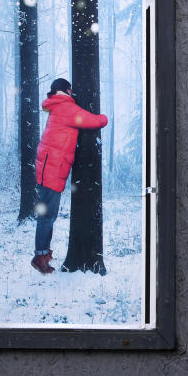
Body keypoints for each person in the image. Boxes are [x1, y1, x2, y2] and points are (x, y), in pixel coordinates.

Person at [31, 78, 109, 274]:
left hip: (49, 166)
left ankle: (43, 254)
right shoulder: (66, 108)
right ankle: (40, 257)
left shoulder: (57, 107)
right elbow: (93, 121)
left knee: (47, 214)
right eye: (71, 90)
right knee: (47, 215)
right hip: (52, 169)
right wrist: (106, 117)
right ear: (67, 90)